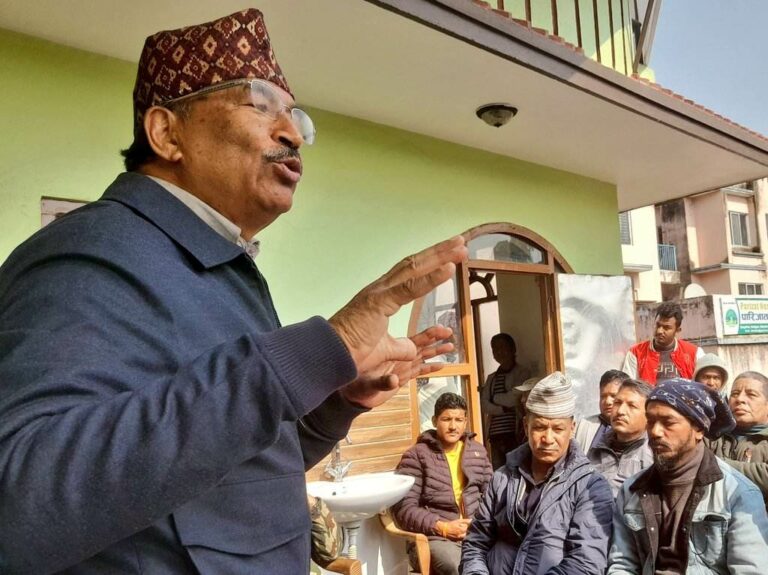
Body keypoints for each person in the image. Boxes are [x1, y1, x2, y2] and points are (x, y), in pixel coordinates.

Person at [0, 10, 469, 574]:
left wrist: (337, 403)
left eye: (295, 118)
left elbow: (238, 473)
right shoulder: (96, 250)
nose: (292, 134)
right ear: (167, 133)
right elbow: (21, 500)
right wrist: (319, 349)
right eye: (260, 105)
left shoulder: (223, 267)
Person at [609, 379, 768, 574]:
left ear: (699, 429)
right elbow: (622, 565)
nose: (655, 432)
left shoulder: (738, 493)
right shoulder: (632, 490)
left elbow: (750, 570)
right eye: (650, 421)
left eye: (668, 422)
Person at [461, 372, 614, 575]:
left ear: (572, 429)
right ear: (526, 426)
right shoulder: (502, 478)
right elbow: (476, 543)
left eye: (558, 429)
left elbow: (586, 563)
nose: (548, 438)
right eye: (539, 427)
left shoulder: (590, 487)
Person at [392, 393, 492, 575]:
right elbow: (403, 508)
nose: (453, 426)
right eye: (446, 419)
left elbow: (492, 497)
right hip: (435, 538)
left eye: (458, 420)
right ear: (434, 421)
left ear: (465, 422)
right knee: (460, 566)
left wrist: (480, 523)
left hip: (476, 532)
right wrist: (443, 527)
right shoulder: (417, 455)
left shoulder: (477, 452)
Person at [706, 371, 768, 506]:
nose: (740, 399)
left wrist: (715, 463)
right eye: (734, 394)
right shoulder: (711, 435)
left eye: (751, 394)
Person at [587, 379, 653, 497]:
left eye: (632, 406)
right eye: (617, 403)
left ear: (648, 415)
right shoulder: (597, 448)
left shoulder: (654, 455)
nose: (620, 411)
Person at [480, 333, 531, 468]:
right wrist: (502, 409)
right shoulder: (491, 378)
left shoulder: (522, 372)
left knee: (517, 469)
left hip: (514, 434)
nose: (499, 352)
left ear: (513, 349)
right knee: (499, 471)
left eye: (502, 347)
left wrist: (494, 398)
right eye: (495, 349)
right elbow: (484, 405)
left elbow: (514, 399)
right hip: (495, 435)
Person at [622, 301, 704, 384]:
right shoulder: (636, 353)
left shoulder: (694, 353)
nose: (659, 331)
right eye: (657, 325)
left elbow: (704, 385)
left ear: (677, 330)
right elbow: (627, 386)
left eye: (666, 327)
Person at [574, 369, 631, 452]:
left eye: (613, 396)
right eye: (603, 396)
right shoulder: (584, 425)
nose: (607, 402)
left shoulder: (634, 428)